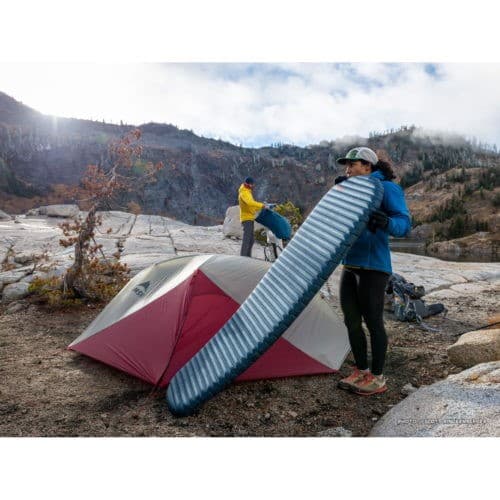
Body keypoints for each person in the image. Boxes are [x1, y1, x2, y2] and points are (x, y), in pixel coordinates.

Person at [334, 147, 411, 396]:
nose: (347, 169)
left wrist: (388, 222)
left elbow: (404, 223)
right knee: (351, 320)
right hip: (350, 264)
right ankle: (361, 370)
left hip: (374, 266)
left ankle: (377, 378)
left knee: (373, 322)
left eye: (353, 164)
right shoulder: (351, 190)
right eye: (346, 165)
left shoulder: (386, 188)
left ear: (367, 166)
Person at [238, 176, 268, 257]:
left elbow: (251, 205)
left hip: (249, 217)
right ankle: (243, 257)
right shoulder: (244, 193)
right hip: (246, 218)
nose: (253, 186)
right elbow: (250, 202)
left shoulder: (247, 191)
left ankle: (247, 256)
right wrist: (262, 205)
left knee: (251, 240)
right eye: (252, 184)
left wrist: (260, 207)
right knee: (247, 239)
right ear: (248, 184)